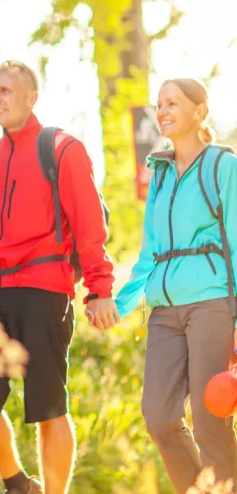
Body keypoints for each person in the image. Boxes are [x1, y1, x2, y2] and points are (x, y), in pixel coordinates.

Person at [0, 60, 119, 494]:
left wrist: (99, 289)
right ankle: (17, 484)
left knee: (48, 406)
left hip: (44, 288)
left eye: (6, 90)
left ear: (32, 97)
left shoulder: (62, 148)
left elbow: (88, 225)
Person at [114, 78, 237, 493]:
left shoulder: (224, 165)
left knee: (211, 421)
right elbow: (150, 252)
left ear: (200, 111)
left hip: (212, 305)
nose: (162, 110)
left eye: (173, 103)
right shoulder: (160, 174)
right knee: (159, 417)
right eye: (159, 103)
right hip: (164, 310)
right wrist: (121, 303)